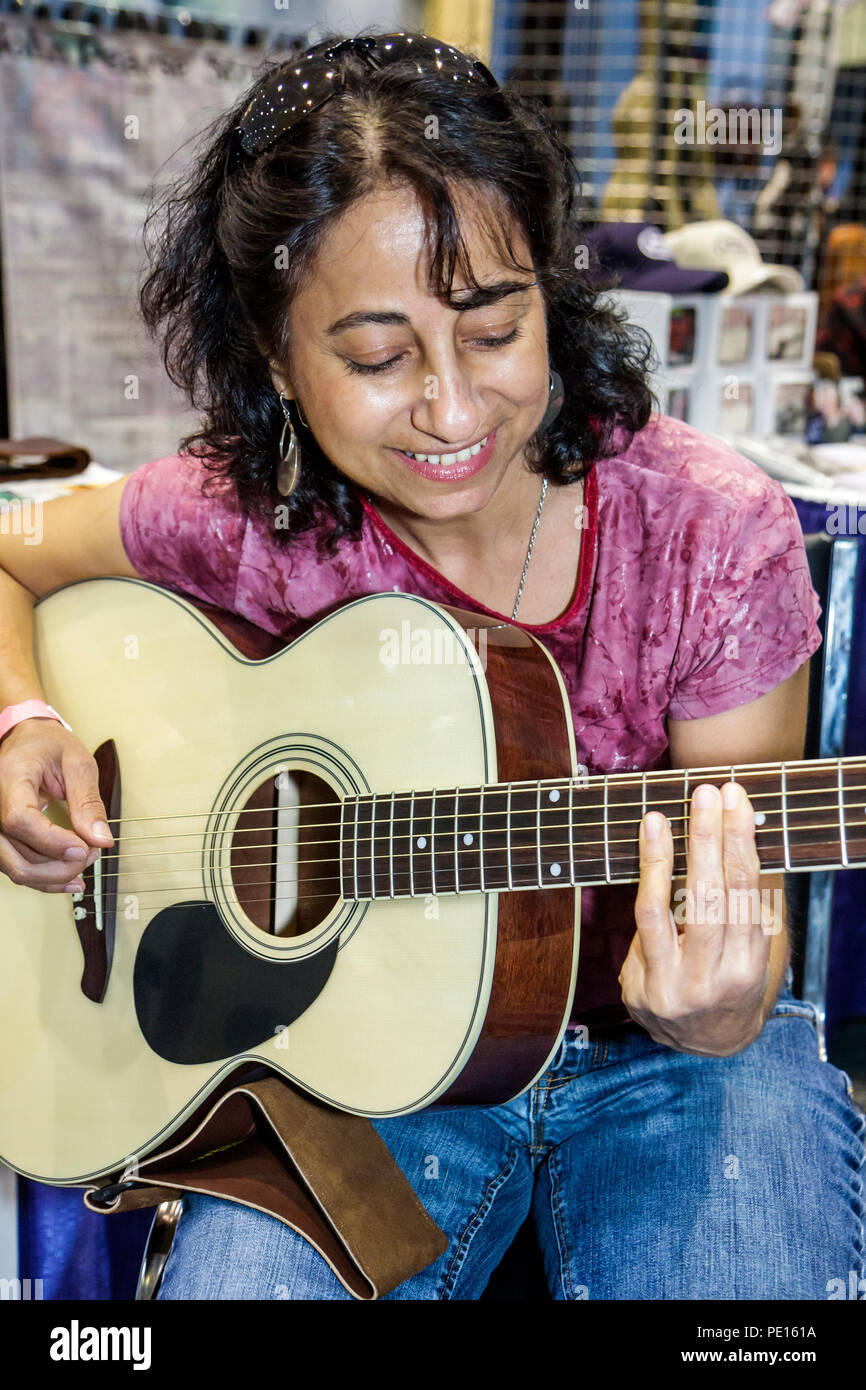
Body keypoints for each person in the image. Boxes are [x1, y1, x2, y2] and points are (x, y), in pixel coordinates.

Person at [0, 30, 862, 1301]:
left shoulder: (704, 529)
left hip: (675, 1058)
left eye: (495, 327)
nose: (453, 410)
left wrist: (724, 1008)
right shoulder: (248, 511)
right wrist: (22, 718)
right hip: (355, 1054)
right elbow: (13, 544)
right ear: (278, 357)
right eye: (373, 357)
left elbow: (740, 902)